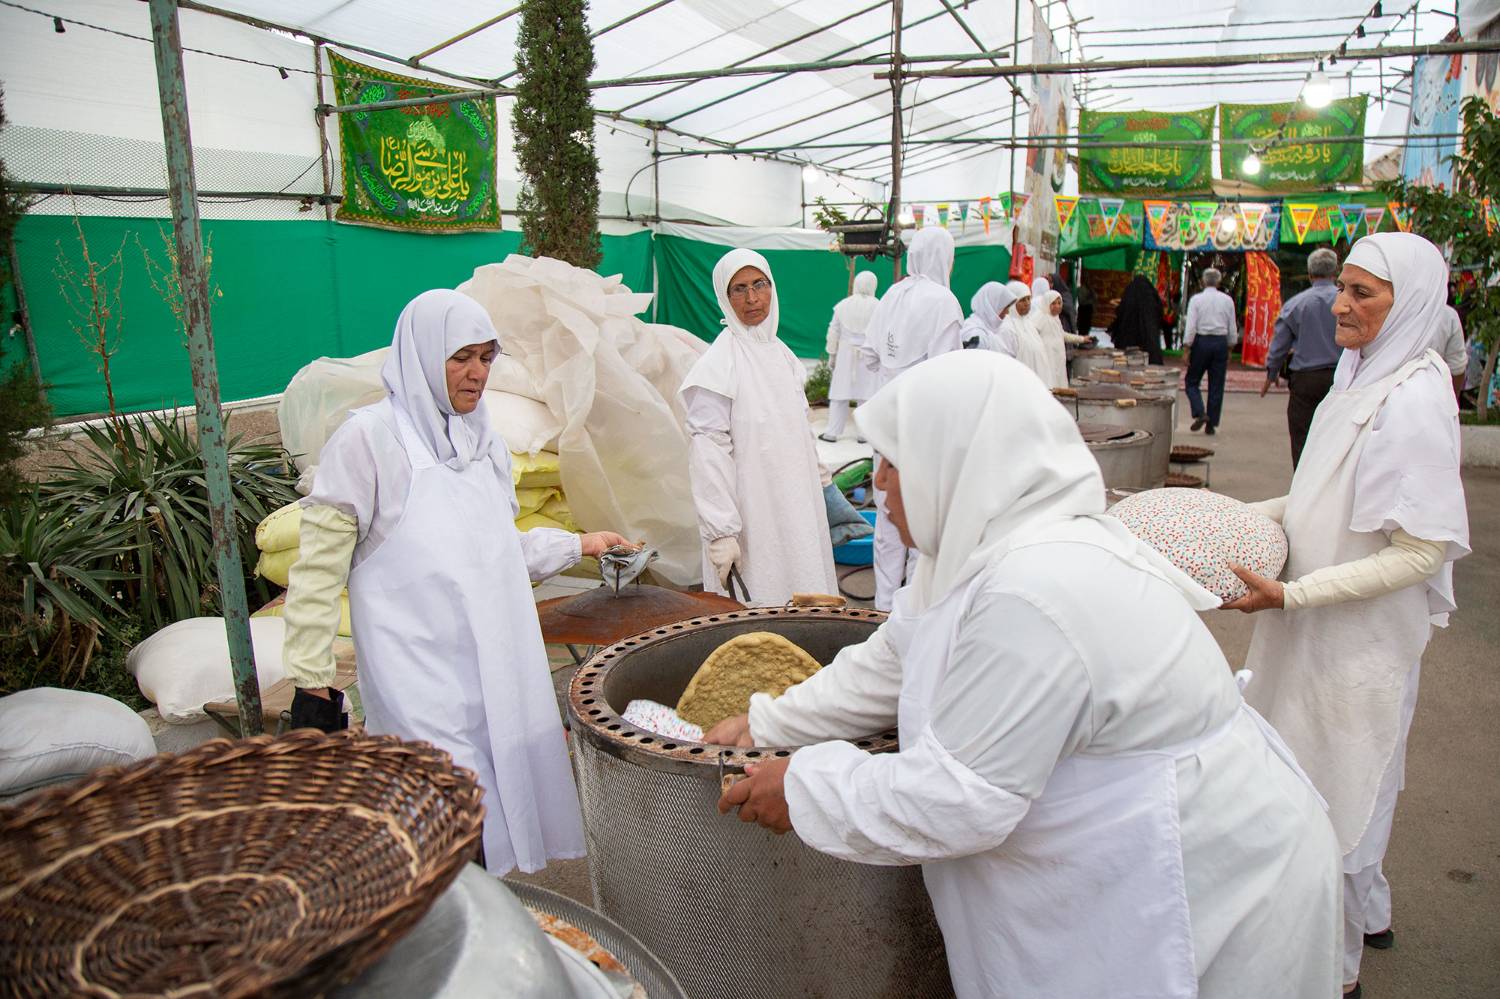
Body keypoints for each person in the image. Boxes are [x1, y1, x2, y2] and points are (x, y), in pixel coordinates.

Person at [708, 350, 1341, 999]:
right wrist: (766, 724)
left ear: (955, 463)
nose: (879, 483)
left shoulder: (1038, 588)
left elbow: (959, 800)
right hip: (1123, 865)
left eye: (895, 461)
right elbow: (892, 660)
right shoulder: (974, 544)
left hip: (1209, 887)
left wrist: (804, 786)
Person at [281, 289, 633, 875]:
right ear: (421, 355)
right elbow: (318, 571)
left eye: (487, 358)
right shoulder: (368, 441)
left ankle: (492, 915)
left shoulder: (481, 439)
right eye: (461, 358)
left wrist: (579, 544)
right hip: (418, 677)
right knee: (447, 819)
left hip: (496, 669)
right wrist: (312, 682)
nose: (478, 373)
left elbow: (495, 552)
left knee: (498, 818)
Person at [1225, 232, 1470, 998]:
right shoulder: (1359, 374)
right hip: (1315, 628)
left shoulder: (1414, 400)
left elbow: (1420, 552)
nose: (1340, 305)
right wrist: (1228, 519)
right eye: (1344, 287)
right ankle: (1368, 914)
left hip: (1356, 639)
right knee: (1330, 780)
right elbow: (1317, 497)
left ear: (1412, 302)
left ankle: (1334, 971)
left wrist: (1293, 594)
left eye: (1364, 293)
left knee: (1342, 790)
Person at [681, 248, 839, 605]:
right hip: (754, 515)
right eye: (739, 289)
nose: (752, 298)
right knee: (761, 603)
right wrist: (721, 531)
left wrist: (823, 483)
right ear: (724, 296)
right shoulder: (718, 366)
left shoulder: (783, 355)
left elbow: (799, 430)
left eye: (759, 284)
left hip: (798, 504)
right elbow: (708, 453)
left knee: (806, 587)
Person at [860, 226, 963, 611]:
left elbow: (870, 355)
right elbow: (946, 371)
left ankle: (884, 603)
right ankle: (916, 606)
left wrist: (893, 373)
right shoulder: (944, 302)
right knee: (922, 516)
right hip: (925, 421)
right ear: (943, 257)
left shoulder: (892, 294)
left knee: (888, 512)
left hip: (887, 416)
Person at [1261, 248, 1342, 467]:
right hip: (1342, 378)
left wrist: (1271, 372)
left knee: (1302, 436)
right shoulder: (1347, 303)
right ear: (1335, 271)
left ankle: (1303, 482)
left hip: (1306, 380)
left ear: (1309, 274)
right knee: (1338, 436)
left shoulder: (1296, 304)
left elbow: (1280, 344)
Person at [820, 270, 881, 443]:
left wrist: (832, 354)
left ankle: (832, 432)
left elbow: (833, 332)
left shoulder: (843, 305)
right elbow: (881, 332)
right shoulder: (879, 306)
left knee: (839, 394)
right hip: (869, 354)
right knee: (866, 394)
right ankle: (864, 434)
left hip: (845, 354)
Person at [1182, 268, 1239, 436]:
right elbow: (1232, 326)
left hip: (1201, 342)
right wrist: (1230, 347)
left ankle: (1200, 412)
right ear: (1219, 282)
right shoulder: (1227, 300)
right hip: (1220, 343)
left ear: (1202, 282)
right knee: (1216, 385)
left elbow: (1191, 326)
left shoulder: (1196, 300)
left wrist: (1187, 347)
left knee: (1192, 381)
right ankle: (1211, 423)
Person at [1030, 279, 1091, 389]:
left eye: (1059, 303)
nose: (1057, 306)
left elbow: (1062, 335)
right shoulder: (1040, 317)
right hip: (1047, 356)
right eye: (1053, 303)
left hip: (1057, 357)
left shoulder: (1055, 318)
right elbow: (1032, 334)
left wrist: (1082, 339)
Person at [1107, 274, 1164, 363]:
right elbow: (1159, 313)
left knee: (1127, 361)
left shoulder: (1130, 296)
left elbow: (1120, 313)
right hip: (1148, 339)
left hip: (1128, 339)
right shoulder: (1151, 299)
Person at [959, 281, 1018, 354]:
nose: (1007, 312)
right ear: (992, 307)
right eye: (1005, 308)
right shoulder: (975, 334)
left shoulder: (992, 329)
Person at [1432, 302, 1469, 401]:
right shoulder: (1447, 315)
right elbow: (1457, 369)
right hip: (1434, 398)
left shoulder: (1448, 315)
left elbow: (1457, 369)